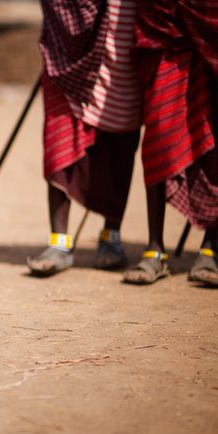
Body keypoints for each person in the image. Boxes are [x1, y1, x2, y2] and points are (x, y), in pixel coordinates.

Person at [28, 0, 141, 277]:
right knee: (60, 138)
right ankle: (59, 242)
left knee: (120, 138)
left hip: (122, 33)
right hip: (64, 46)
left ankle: (111, 235)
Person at [123, 0, 218, 287]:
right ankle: (155, 248)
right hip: (162, 33)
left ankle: (211, 247)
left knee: (212, 137)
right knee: (159, 138)